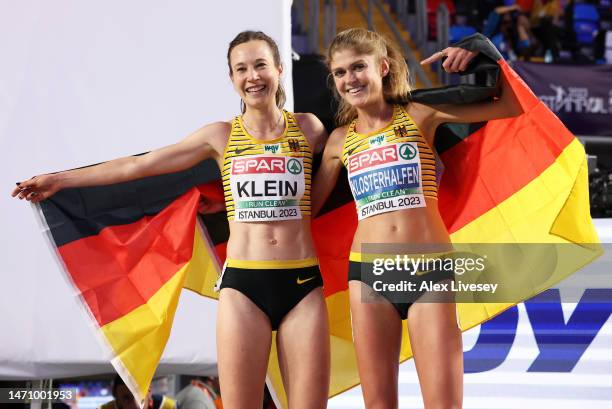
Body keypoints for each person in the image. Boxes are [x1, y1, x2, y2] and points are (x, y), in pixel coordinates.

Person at [12, 30, 330, 409]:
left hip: (302, 282)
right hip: (245, 287)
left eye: (261, 65)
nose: (253, 76)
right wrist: (61, 180)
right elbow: (140, 165)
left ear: (279, 69)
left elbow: (358, 144)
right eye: (241, 68)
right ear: (231, 79)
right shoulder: (220, 136)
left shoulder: (310, 129)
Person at [312, 28, 522, 409]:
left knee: (443, 403)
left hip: (430, 268)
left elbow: (511, 105)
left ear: (383, 67)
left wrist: (482, 52)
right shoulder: (339, 141)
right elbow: (303, 208)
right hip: (368, 274)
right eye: (340, 73)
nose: (350, 79)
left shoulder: (419, 113)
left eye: (358, 67)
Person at [100, 375, 176, 409]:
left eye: (139, 396)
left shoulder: (169, 407)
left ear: (149, 391)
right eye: (126, 398)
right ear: (117, 400)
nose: (135, 406)